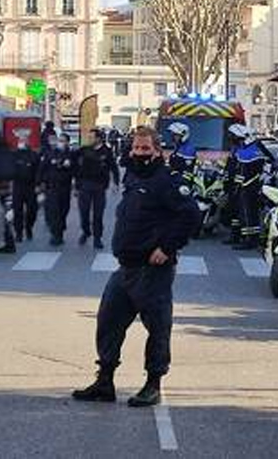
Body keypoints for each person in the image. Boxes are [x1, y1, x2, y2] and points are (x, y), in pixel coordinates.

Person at [72, 126, 199, 407]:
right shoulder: (132, 174)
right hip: (126, 267)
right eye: (136, 148)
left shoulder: (167, 180)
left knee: (157, 328)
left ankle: (153, 384)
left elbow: (190, 215)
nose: (140, 153)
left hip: (152, 271)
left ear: (157, 151)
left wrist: (166, 248)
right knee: (108, 321)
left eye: (146, 149)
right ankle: (105, 381)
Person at [75, 128, 120, 249]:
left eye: (91, 137)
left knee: (98, 214)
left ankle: (97, 238)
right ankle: (85, 231)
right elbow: (74, 164)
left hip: (100, 187)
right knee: (84, 212)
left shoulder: (107, 151)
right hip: (85, 185)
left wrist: (116, 183)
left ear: (98, 139)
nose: (89, 139)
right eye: (89, 137)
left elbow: (114, 168)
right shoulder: (84, 150)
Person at [231, 125, 266, 250]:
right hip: (244, 188)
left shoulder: (253, 152)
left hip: (249, 188)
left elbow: (246, 173)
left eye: (239, 138)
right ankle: (243, 237)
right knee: (243, 213)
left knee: (249, 214)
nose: (237, 140)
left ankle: (250, 240)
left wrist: (240, 185)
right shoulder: (245, 150)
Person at [39, 133, 75, 246]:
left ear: (68, 142)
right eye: (60, 140)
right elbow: (42, 168)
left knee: (63, 210)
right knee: (53, 211)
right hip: (52, 187)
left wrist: (69, 166)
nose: (60, 143)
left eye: (63, 141)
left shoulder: (71, 154)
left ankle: (60, 228)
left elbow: (76, 170)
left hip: (65, 187)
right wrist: (39, 183)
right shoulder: (51, 153)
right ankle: (56, 235)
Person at [11, 137, 40, 241]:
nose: (21, 143)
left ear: (28, 143)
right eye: (20, 141)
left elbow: (38, 171)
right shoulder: (14, 155)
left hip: (30, 186)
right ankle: (18, 233)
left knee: (32, 210)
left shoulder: (34, 155)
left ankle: (29, 227)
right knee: (17, 210)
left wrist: (38, 184)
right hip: (18, 186)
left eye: (24, 141)